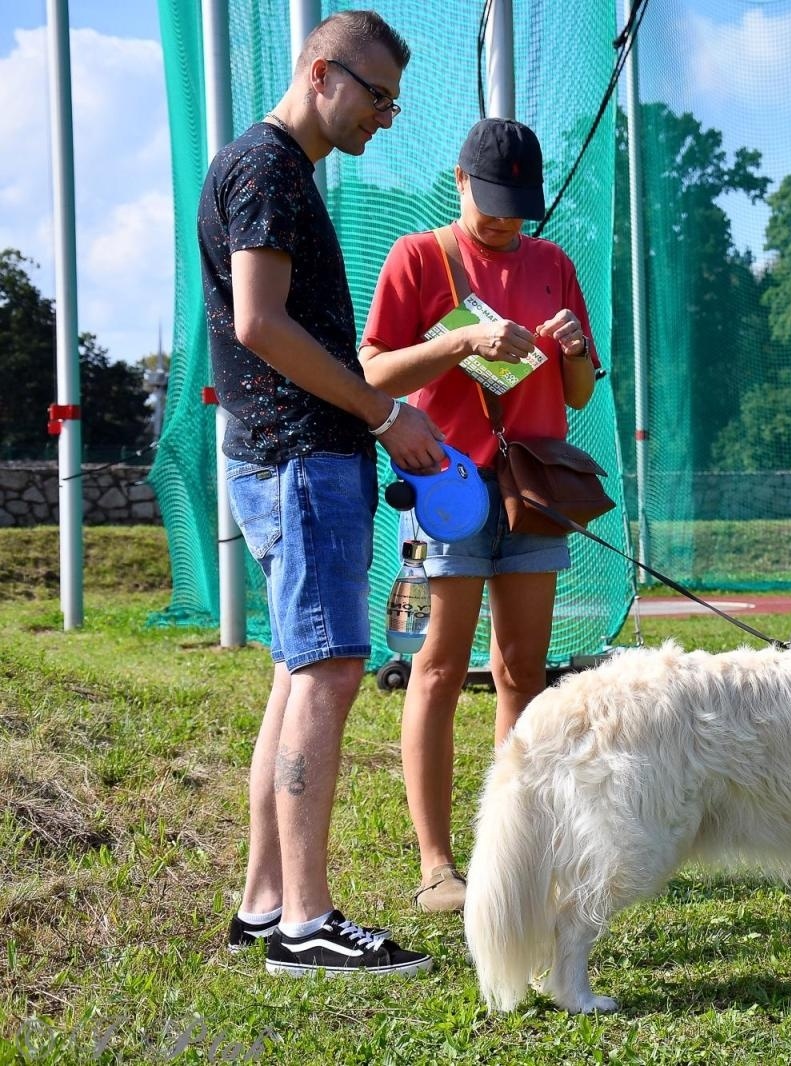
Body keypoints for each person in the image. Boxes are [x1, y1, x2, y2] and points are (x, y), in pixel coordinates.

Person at [199, 10, 442, 976]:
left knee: (299, 673)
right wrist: (384, 416)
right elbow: (260, 323)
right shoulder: (265, 168)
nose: (386, 116)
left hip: (293, 456)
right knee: (332, 671)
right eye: (377, 95)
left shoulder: (280, 171)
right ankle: (307, 921)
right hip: (301, 458)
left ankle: (266, 904)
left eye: (393, 100)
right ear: (322, 72)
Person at [360, 118, 599, 912]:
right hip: (447, 492)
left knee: (522, 674)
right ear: (459, 180)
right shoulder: (417, 257)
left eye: (517, 208)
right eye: (491, 202)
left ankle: (512, 853)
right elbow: (373, 369)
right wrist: (459, 347)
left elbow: (578, 395)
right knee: (433, 671)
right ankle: (436, 865)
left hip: (533, 491)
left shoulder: (554, 264)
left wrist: (570, 351)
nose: (503, 221)